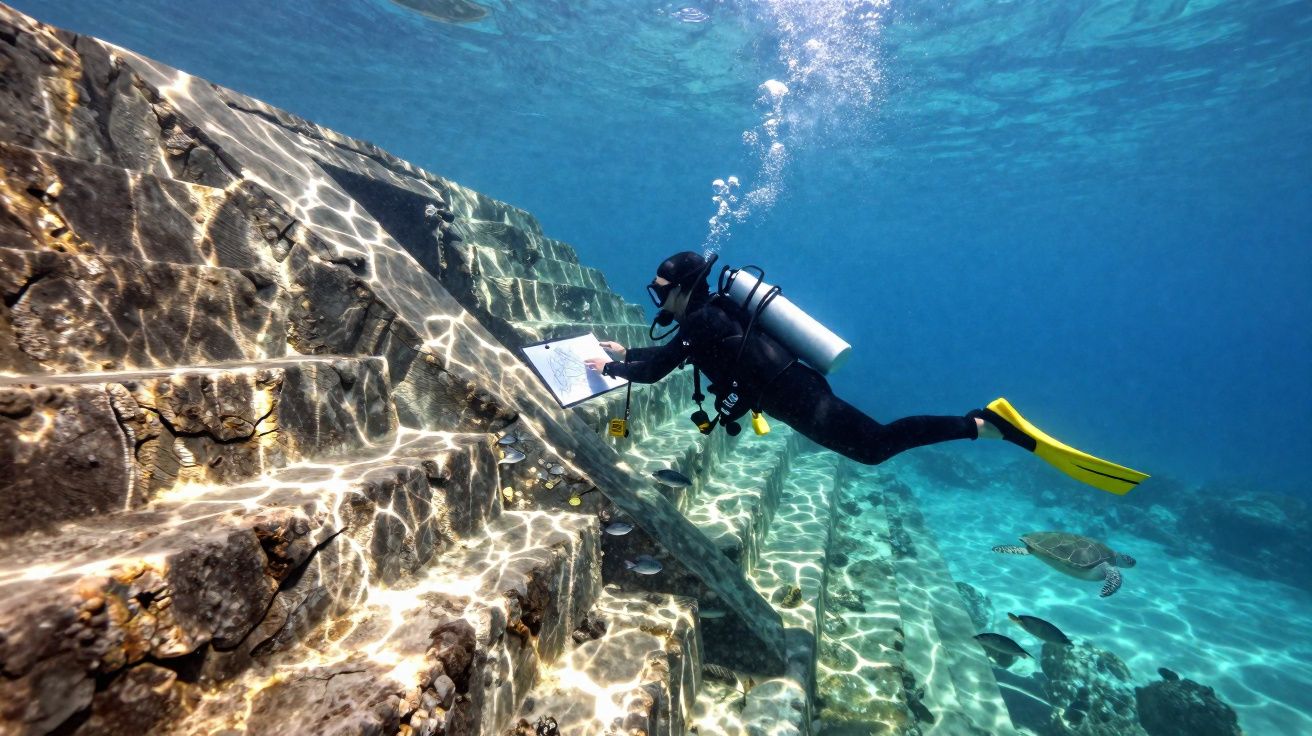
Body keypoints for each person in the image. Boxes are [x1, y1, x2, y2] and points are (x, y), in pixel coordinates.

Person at [585, 251, 1148, 495]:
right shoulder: (709, 315)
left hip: (796, 396)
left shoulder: (702, 321)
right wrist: (624, 350)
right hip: (796, 389)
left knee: (875, 446)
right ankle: (981, 425)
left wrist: (609, 365)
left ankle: (984, 424)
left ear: (682, 288)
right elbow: (672, 355)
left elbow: (659, 369)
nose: (656, 299)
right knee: (873, 444)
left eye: (659, 290)